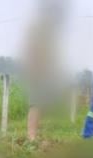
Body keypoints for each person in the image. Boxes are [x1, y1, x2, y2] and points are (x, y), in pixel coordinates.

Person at [24, 0, 67, 142]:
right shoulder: (37, 28)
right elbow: (32, 51)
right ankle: (31, 135)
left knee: (41, 104)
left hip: (46, 73)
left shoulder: (50, 31)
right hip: (38, 73)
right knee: (36, 103)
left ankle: (34, 134)